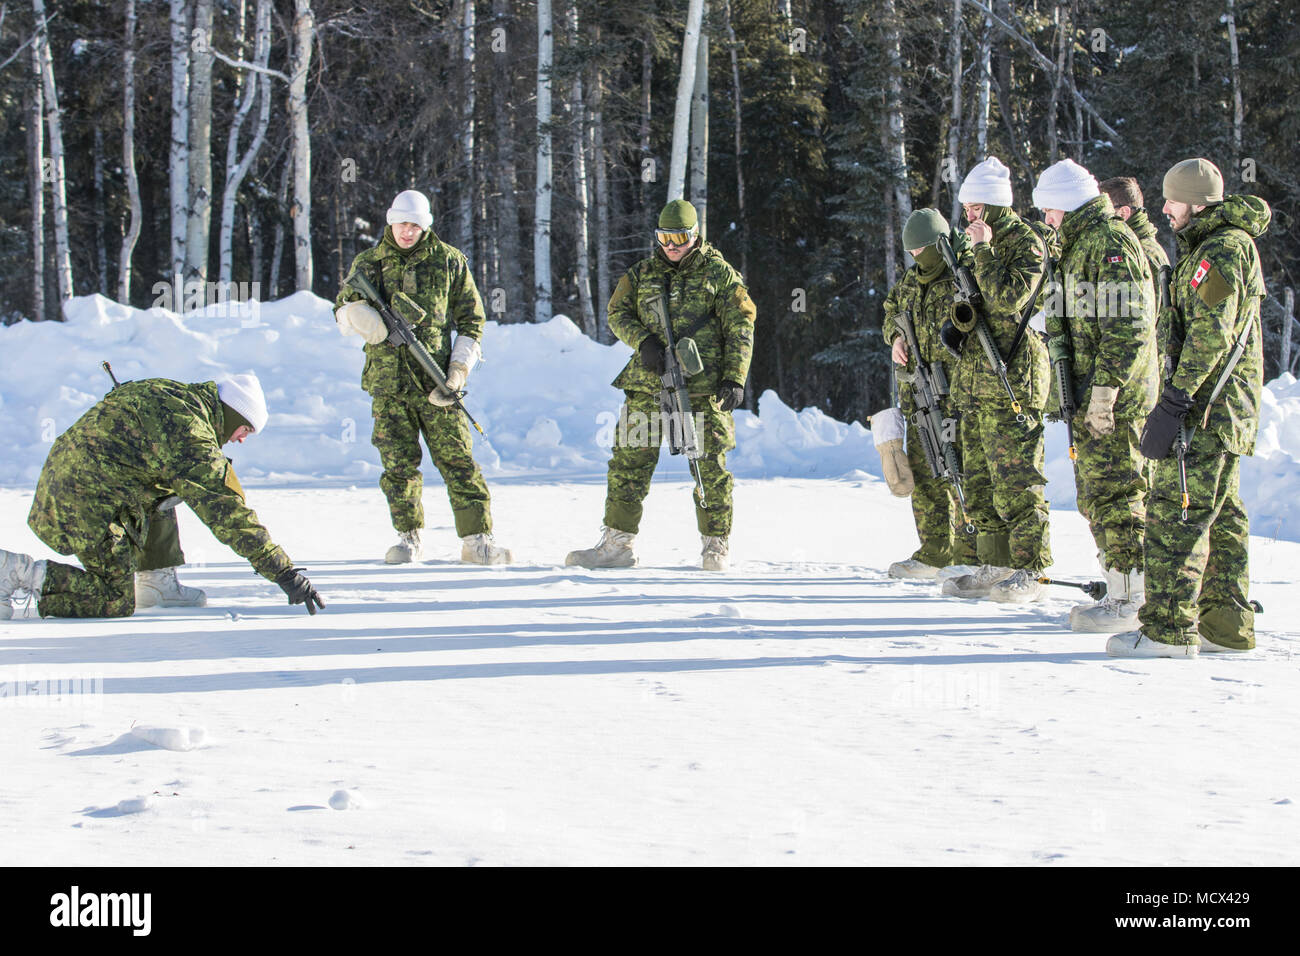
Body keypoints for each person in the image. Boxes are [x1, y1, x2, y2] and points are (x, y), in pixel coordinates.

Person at [1108, 159, 1270, 658]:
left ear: (1198, 202)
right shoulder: (1210, 246)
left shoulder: (1220, 252)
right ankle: (1224, 627)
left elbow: (1209, 334)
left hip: (1208, 410)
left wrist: (1175, 402)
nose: (1164, 208)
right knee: (1221, 519)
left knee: (1176, 512)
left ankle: (1168, 630)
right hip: (1217, 409)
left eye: (1173, 200)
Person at [0, 374, 323, 619]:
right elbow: (227, 512)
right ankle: (19, 572)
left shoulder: (173, 394)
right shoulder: (191, 436)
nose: (241, 440)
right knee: (116, 600)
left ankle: (157, 581)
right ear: (234, 416)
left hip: (66, 481)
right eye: (245, 431)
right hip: (82, 504)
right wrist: (283, 573)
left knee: (167, 481)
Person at [566, 199, 756, 571]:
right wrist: (643, 341)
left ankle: (715, 545)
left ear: (695, 234)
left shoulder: (720, 275)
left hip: (701, 389)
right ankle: (617, 544)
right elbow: (616, 313)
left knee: (708, 466)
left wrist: (735, 376)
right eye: (664, 238)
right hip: (648, 385)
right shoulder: (641, 274)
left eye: (679, 238)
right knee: (628, 463)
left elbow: (741, 325)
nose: (670, 246)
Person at [334, 189, 511, 566]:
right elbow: (342, 307)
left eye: (415, 225)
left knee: (459, 460)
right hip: (388, 384)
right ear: (390, 222)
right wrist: (356, 317)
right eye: (402, 224)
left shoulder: (450, 261)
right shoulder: (368, 263)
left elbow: (471, 320)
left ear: (425, 225)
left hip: (437, 383)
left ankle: (477, 540)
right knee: (397, 465)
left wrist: (459, 368)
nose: (408, 232)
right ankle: (408, 537)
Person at [1034, 159, 1157, 631]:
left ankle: (1133, 600)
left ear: (1067, 203)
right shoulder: (1078, 244)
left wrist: (1106, 388)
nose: (1046, 219)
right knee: (1099, 496)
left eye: (1049, 209)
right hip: (1090, 395)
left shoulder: (1108, 243)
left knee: (1120, 493)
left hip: (1114, 401)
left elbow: (1129, 324)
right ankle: (1121, 589)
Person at [941, 157, 1053, 603]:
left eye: (975, 207)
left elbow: (1007, 300)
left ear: (995, 205)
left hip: (1012, 378)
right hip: (976, 381)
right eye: (965, 207)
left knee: (1018, 480)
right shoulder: (971, 243)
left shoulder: (1026, 243)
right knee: (981, 480)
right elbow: (972, 301)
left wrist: (984, 250)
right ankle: (995, 563)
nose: (968, 215)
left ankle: (1032, 569)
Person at [881, 208, 980, 579]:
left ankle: (969, 554)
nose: (916, 258)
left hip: (959, 397)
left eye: (921, 250)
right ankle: (935, 552)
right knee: (925, 474)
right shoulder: (911, 282)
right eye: (911, 253)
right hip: (919, 396)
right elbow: (890, 311)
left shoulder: (963, 274)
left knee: (960, 471)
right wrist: (895, 337)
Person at [1098, 176, 1170, 278]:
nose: (1099, 216)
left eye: (1104, 210)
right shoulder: (1130, 244)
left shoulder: (1143, 253)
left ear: (1123, 213)